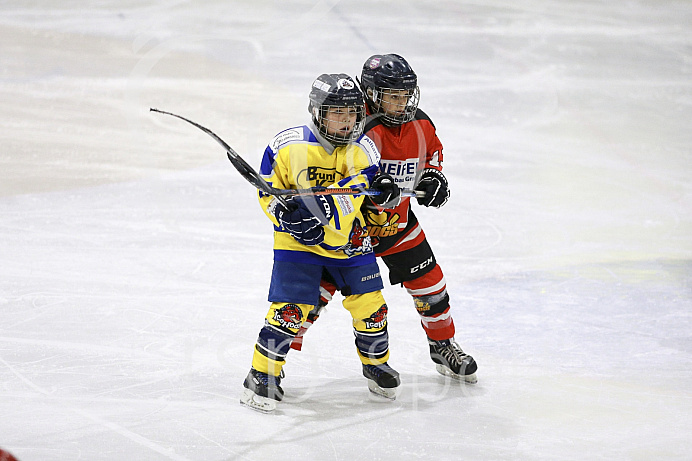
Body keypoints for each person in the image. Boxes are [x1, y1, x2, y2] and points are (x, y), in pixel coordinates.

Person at [290, 55, 478, 383]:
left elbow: (432, 156)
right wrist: (367, 186)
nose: (401, 103)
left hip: (399, 226)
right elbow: (332, 169)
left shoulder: (421, 124)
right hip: (352, 234)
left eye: (405, 95)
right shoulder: (353, 127)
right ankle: (273, 356)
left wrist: (434, 179)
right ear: (371, 94)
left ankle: (443, 344)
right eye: (392, 95)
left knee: (432, 286)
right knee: (310, 300)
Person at [241, 73, 401, 413]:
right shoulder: (287, 145)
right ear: (318, 112)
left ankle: (376, 363)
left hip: (350, 240)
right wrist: (285, 216)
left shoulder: (364, 148)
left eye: (353, 114)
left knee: (372, 305)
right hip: (297, 244)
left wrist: (385, 189)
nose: (347, 122)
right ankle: (262, 374)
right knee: (290, 310)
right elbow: (266, 192)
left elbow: (366, 188)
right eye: (337, 113)